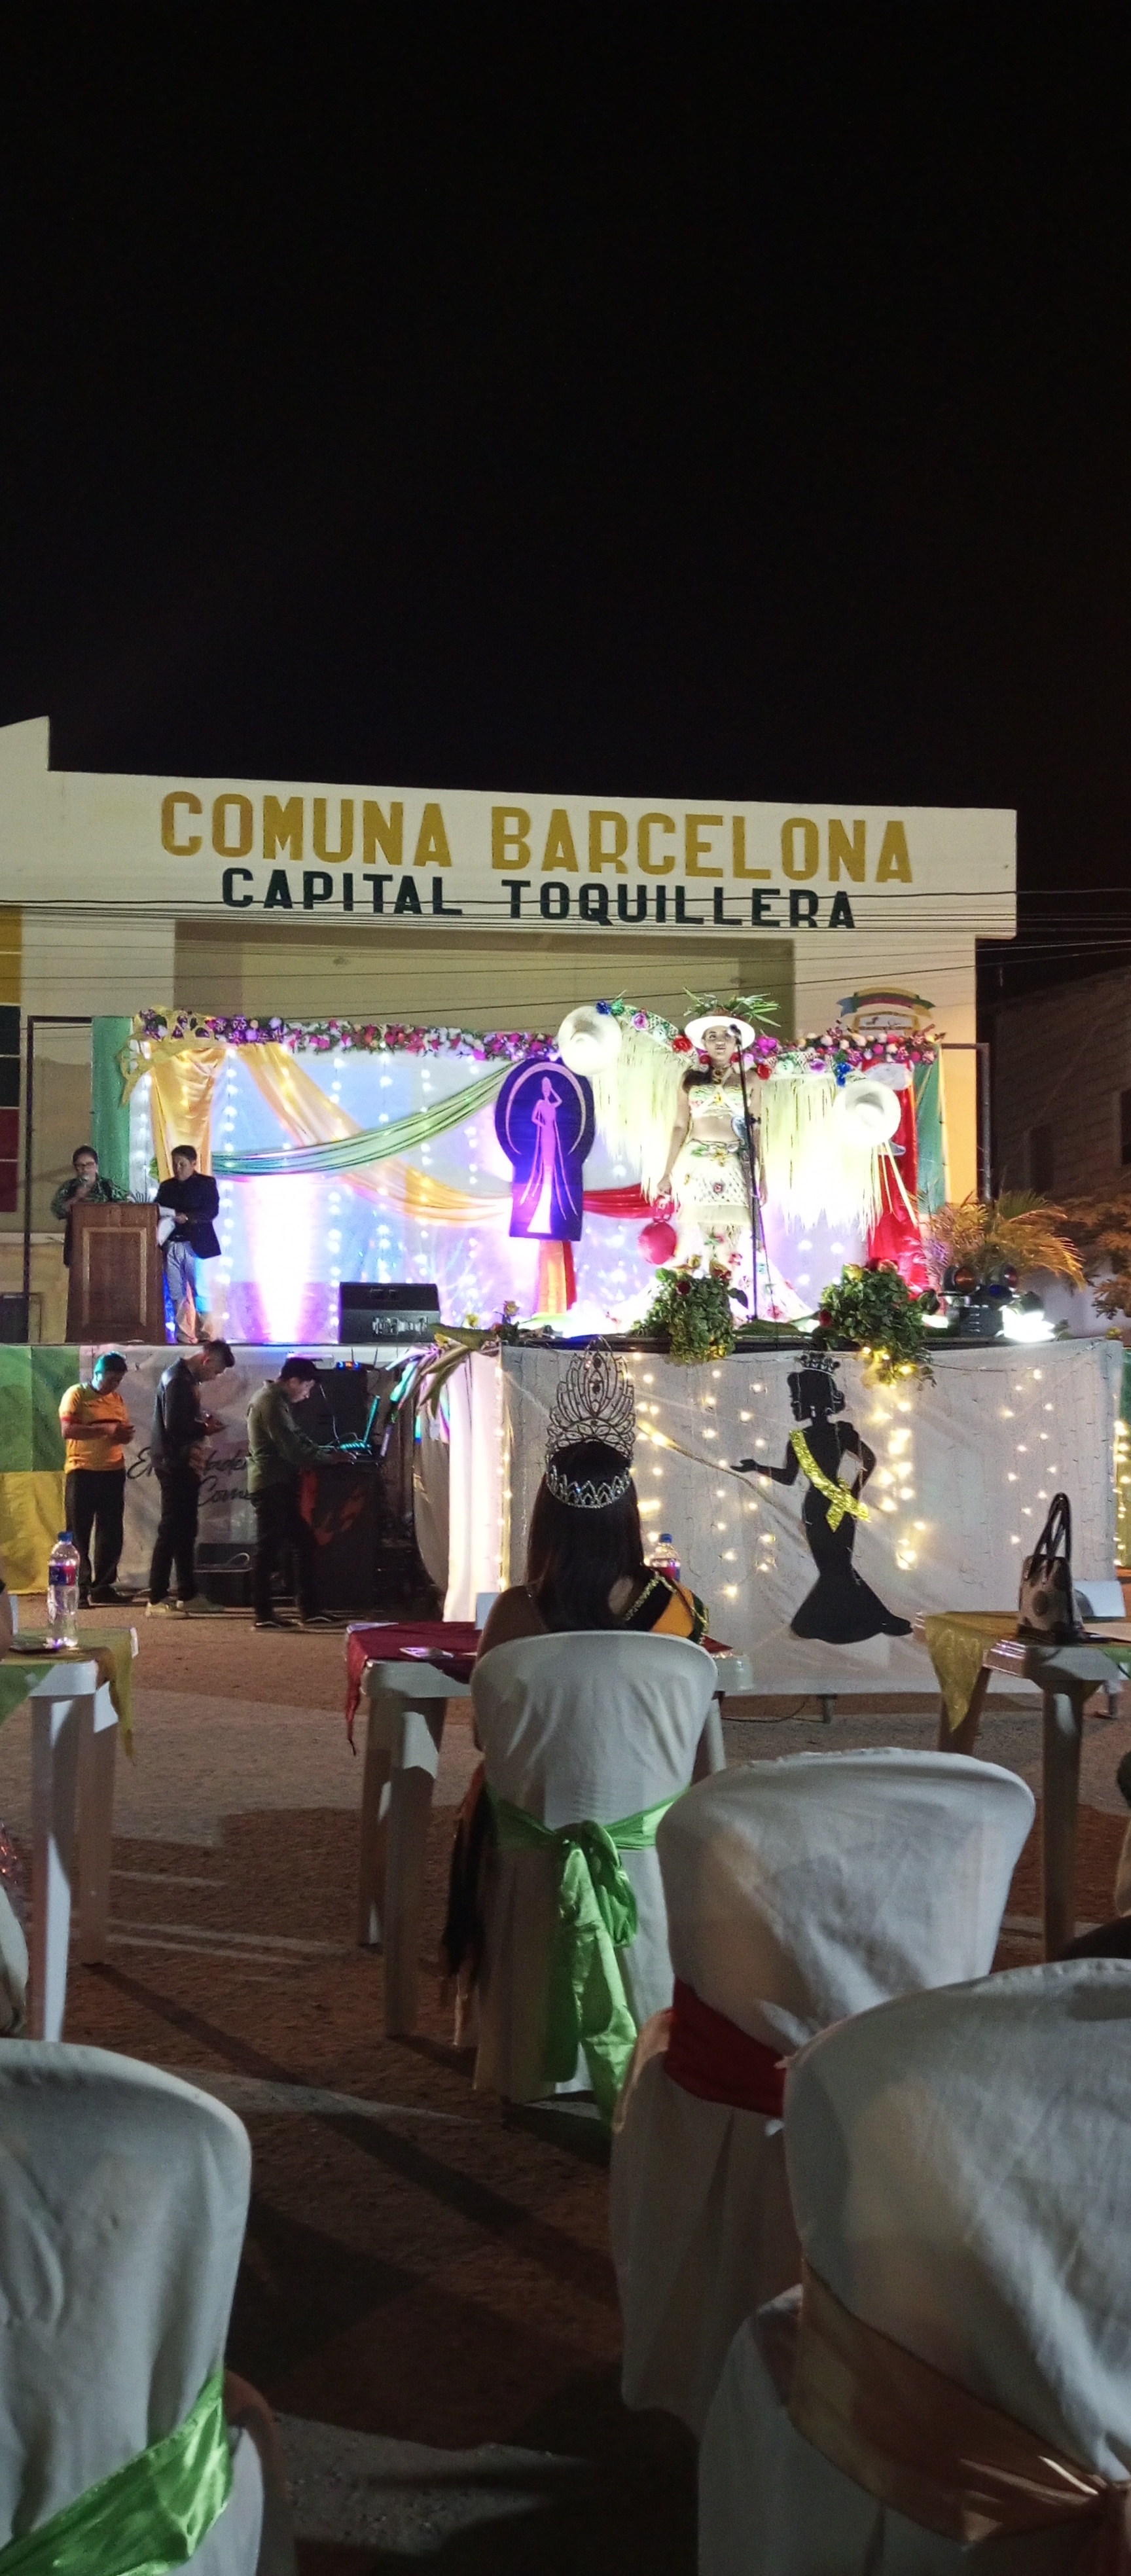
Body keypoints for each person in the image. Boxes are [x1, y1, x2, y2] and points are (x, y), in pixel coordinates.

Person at [444, 1344, 708, 2013]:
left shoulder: (515, 1613)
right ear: (629, 1519)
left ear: (546, 1522)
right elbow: (693, 1745)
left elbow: (488, 1741)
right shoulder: (678, 1610)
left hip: (534, 1823)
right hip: (647, 1824)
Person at [737, 1356, 911, 1643]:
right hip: (818, 1508)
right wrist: (757, 1467)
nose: (797, 1402)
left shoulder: (841, 1432)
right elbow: (789, 1477)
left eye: (799, 1397)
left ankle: (819, 1624)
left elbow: (868, 1460)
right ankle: (865, 1621)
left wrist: (855, 1490)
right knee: (833, 1568)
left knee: (839, 1566)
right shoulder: (799, 1439)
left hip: (833, 1505)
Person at [247, 1358, 348, 1630]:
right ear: (294, 1381)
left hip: (274, 1483)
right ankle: (267, 1614)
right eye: (307, 1387)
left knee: (300, 1543)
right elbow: (291, 1447)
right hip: (272, 1484)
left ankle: (306, 1610)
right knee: (270, 1549)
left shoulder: (274, 1400)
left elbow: (296, 1438)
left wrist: (324, 1453)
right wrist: (327, 1458)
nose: (307, 1394)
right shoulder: (271, 1402)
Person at [147, 1338, 235, 1618]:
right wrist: (205, 1428)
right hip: (174, 1462)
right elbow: (175, 1427)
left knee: (186, 1529)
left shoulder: (183, 1378)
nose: (215, 1378)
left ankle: (187, 1593)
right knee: (172, 1529)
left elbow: (179, 1420)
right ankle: (156, 1598)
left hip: (182, 1462)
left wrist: (202, 1422)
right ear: (207, 1360)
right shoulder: (178, 1380)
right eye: (216, 1371)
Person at [58, 1351, 134, 1605]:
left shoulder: (117, 1400)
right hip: (82, 1470)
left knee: (111, 1531)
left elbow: (119, 1430)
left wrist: (123, 1435)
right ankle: (79, 1588)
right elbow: (68, 1430)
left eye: (118, 1381)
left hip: (113, 1470)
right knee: (79, 1532)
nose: (114, 1385)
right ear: (97, 1373)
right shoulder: (77, 1395)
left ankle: (103, 1586)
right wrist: (106, 1429)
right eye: (110, 1380)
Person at [154, 1145, 222, 1344]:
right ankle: (183, 1333)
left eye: (182, 1164)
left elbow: (211, 1211)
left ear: (193, 1164)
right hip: (172, 1243)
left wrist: (188, 1217)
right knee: (176, 1292)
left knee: (201, 1290)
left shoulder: (206, 1183)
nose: (178, 1168)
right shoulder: (167, 1186)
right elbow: (156, 1208)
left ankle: (205, 1333)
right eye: (175, 1164)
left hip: (197, 1244)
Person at [50, 1145, 122, 1268]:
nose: (85, 1169)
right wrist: (77, 1198)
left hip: (106, 1243)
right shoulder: (69, 1187)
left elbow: (127, 1207)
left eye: (89, 1164)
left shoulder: (107, 1187)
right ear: (76, 1168)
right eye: (80, 1166)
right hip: (77, 1243)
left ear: (96, 1166)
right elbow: (57, 1210)